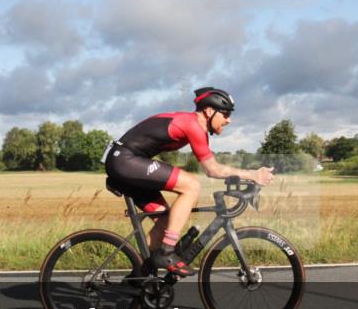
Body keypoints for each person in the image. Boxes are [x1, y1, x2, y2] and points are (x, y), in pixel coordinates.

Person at [103, 87, 275, 276]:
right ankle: (167, 252)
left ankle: (139, 279)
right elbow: (212, 170)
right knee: (191, 186)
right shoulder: (192, 125)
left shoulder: (194, 126)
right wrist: (253, 175)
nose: (229, 119)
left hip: (127, 162)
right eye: (225, 114)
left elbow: (213, 165)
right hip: (125, 160)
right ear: (209, 112)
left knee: (166, 222)